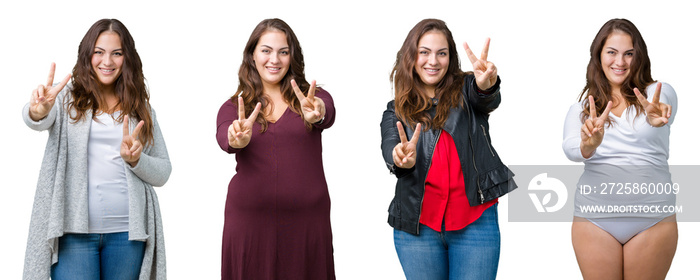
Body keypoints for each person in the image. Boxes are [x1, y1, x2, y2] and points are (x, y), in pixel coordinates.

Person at [22, 19, 171, 280]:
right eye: (99, 52)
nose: (107, 61)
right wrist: (37, 110)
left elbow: (163, 171)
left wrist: (136, 160)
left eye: (117, 53)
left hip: (128, 235)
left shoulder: (139, 108)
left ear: (127, 58)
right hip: (73, 233)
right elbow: (37, 117)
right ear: (87, 54)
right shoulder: (67, 97)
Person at [380, 18, 517, 280]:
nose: (433, 61)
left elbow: (485, 96)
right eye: (425, 52)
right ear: (412, 56)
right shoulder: (395, 110)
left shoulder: (467, 89)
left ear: (450, 58)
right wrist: (400, 159)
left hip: (475, 221)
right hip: (417, 227)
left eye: (441, 53)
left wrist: (487, 85)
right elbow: (390, 147)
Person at [215, 18, 336, 280]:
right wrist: (236, 137)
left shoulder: (312, 98)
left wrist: (318, 113)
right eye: (266, 50)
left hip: (307, 225)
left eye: (283, 51)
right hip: (249, 225)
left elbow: (326, 111)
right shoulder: (234, 107)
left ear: (292, 56)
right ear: (252, 55)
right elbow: (225, 135)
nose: (275, 59)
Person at [562, 18, 678, 279]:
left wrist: (655, 116)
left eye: (629, 54)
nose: (620, 62)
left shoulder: (657, 94)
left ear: (640, 57)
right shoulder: (581, 111)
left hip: (653, 220)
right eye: (612, 52)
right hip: (595, 221)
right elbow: (571, 149)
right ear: (599, 55)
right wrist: (587, 145)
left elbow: (662, 110)